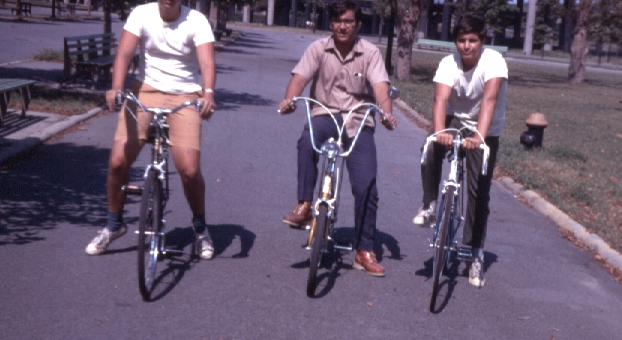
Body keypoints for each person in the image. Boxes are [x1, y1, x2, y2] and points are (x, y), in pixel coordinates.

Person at [85, 0, 217, 260]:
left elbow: (207, 63)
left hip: (184, 94)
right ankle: (114, 225)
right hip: (145, 91)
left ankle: (200, 229)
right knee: (117, 162)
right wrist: (116, 86)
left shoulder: (197, 21)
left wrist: (209, 93)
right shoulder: (141, 14)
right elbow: (123, 53)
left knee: (189, 170)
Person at [278, 0, 397, 277]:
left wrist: (386, 114)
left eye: (348, 21)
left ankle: (364, 250)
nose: (343, 26)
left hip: (358, 121)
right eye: (337, 21)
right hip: (325, 115)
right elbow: (300, 77)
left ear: (357, 24)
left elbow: (381, 88)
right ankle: (305, 204)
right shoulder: (318, 48)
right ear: (330, 24)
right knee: (306, 141)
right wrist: (289, 99)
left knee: (366, 184)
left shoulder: (370, 52)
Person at [412, 14, 508, 287]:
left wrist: (479, 136)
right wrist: (440, 131)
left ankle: (474, 251)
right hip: (456, 120)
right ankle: (430, 203)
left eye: (472, 40)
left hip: (485, 129)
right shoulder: (448, 63)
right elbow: (440, 99)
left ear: (482, 41)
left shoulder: (494, 62)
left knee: (478, 194)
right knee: (429, 147)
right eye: (461, 40)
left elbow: (489, 100)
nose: (467, 46)